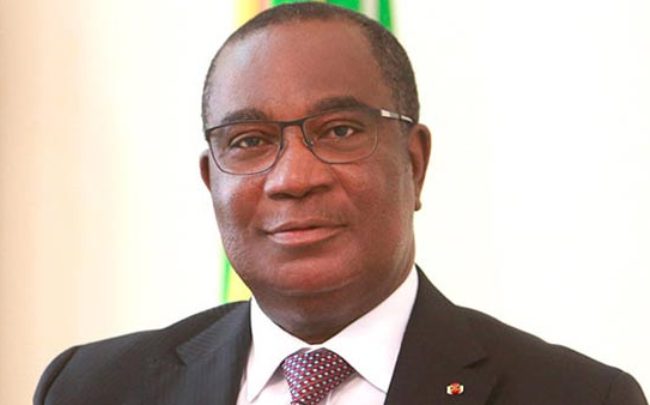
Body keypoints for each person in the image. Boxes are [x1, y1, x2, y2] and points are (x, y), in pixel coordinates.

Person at [34, 3, 647, 404]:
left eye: (339, 131)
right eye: (249, 141)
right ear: (210, 180)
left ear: (414, 163)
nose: (293, 178)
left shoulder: (577, 396)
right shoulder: (91, 389)